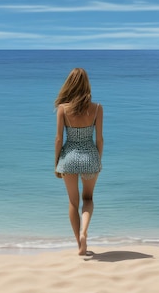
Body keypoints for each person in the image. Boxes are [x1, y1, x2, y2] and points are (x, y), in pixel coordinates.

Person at [54, 68, 104, 256]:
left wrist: (56, 163)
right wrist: (98, 159)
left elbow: (59, 139)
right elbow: (100, 139)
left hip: (69, 158)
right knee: (88, 199)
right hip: (90, 156)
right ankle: (84, 232)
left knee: (73, 203)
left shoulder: (62, 109)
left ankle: (79, 244)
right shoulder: (97, 108)